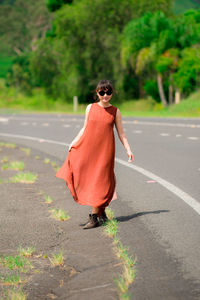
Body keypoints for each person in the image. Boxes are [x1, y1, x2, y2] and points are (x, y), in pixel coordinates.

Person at [56, 80, 134, 229]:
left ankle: (94, 217)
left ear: (112, 93)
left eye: (108, 92)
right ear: (97, 93)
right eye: (102, 92)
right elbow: (85, 128)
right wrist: (73, 142)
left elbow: (121, 134)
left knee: (101, 181)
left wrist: (128, 150)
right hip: (89, 149)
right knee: (88, 177)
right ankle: (101, 214)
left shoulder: (115, 111)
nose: (105, 95)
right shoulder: (90, 108)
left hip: (105, 152)